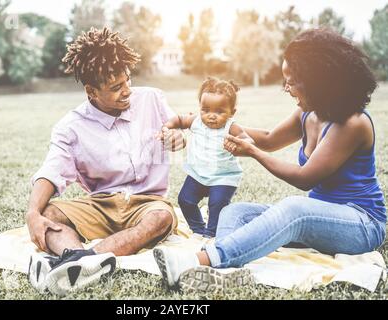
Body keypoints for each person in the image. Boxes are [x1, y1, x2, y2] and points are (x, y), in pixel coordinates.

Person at [153, 28, 386, 294]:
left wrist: (252, 152)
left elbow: (304, 178)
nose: (285, 87)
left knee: (294, 209)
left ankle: (197, 261)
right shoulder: (307, 112)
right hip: (319, 218)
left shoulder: (352, 123)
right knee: (233, 212)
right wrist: (207, 125)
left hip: (361, 225)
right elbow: (269, 138)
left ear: (317, 80)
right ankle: (229, 272)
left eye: (292, 80)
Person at [25, 27, 185, 296]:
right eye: (116, 87)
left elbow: (177, 130)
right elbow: (51, 171)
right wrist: (32, 214)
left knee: (162, 217)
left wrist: (178, 139)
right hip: (100, 205)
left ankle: (81, 260)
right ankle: (80, 261)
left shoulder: (152, 99)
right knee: (48, 213)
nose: (127, 92)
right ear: (91, 91)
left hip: (147, 204)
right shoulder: (71, 126)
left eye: (128, 81)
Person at [159, 77, 253, 238]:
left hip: (223, 177)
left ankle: (211, 235)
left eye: (219, 111)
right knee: (185, 200)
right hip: (197, 174)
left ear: (232, 112)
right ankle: (198, 229)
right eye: (206, 110)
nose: (211, 116)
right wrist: (167, 127)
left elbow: (249, 140)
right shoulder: (196, 121)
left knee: (217, 205)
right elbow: (179, 119)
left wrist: (238, 144)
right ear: (200, 108)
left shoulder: (231, 127)